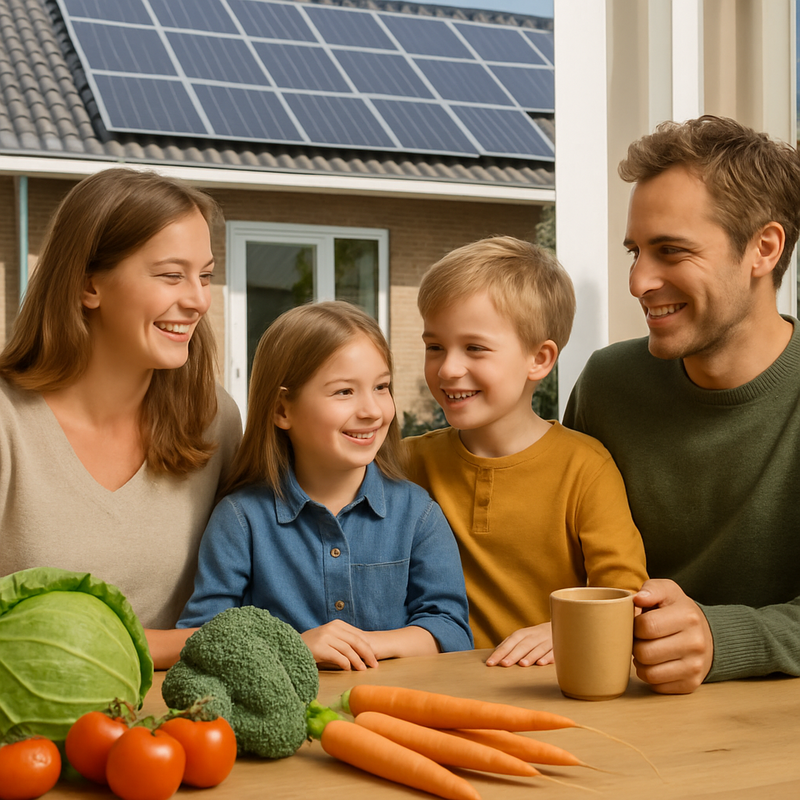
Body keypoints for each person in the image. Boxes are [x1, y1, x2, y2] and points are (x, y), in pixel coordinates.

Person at [563, 115, 800, 694]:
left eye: (671, 251)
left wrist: (725, 638)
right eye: (635, 252)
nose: (639, 280)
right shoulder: (608, 383)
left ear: (763, 248)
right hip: (622, 711)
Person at [0, 168, 242, 668]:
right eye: (172, 275)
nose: (198, 299)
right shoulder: (8, 421)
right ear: (90, 285)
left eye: (206, 275)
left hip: (178, 728)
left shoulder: (214, 418)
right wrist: (188, 644)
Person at [178, 301, 473, 670]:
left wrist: (362, 645)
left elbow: (451, 630)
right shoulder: (240, 519)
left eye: (382, 387)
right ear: (282, 409)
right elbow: (204, 636)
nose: (372, 410)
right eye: (344, 392)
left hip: (397, 713)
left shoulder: (418, 513)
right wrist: (293, 646)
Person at [404, 236, 648, 666]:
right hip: (433, 685)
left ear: (539, 359)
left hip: (546, 683)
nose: (447, 368)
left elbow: (624, 592)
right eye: (435, 346)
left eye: (474, 348)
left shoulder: (585, 468)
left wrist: (564, 630)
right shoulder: (406, 463)